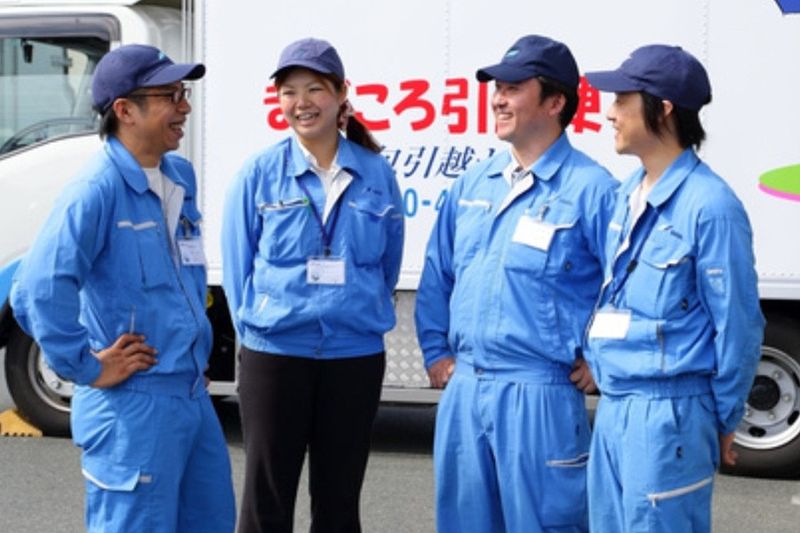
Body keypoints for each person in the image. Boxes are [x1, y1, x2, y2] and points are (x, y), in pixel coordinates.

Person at [9, 44, 236, 532]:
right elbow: (37, 290)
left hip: (191, 395)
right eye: (170, 96)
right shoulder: (96, 189)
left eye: (183, 92)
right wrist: (87, 366)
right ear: (125, 111)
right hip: (133, 405)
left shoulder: (178, 177)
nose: (185, 107)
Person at [414, 34, 617, 532]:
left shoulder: (592, 190)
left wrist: (601, 358)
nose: (498, 99)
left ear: (555, 102)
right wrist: (436, 351)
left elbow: (625, 284)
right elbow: (438, 272)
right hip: (465, 392)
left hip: (540, 393)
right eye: (496, 88)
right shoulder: (472, 185)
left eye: (512, 88)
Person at [221, 37, 404, 532]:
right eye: (289, 92)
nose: (301, 103)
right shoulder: (259, 174)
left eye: (315, 89)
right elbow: (238, 272)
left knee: (340, 502)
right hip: (276, 356)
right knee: (266, 501)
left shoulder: (375, 174)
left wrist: (354, 310)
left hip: (354, 356)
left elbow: (386, 266)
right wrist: (261, 334)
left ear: (342, 93)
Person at [584, 45, 765, 532]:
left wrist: (721, 418)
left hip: (670, 415)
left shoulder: (711, 206)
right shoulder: (626, 194)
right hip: (615, 406)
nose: (610, 113)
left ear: (663, 108)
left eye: (622, 99)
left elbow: (739, 325)